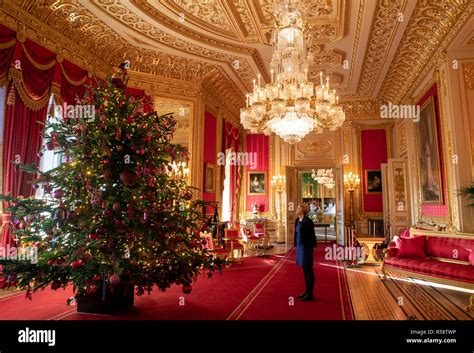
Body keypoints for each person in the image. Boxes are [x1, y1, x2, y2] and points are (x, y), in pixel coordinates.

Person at [294, 203, 317, 301]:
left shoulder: (308, 222)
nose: (297, 209)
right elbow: (296, 234)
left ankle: (310, 293)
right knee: (304, 270)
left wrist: (311, 247)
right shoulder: (297, 220)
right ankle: (306, 291)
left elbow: (312, 236)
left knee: (309, 270)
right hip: (300, 247)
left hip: (306, 248)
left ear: (303, 210)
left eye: (298, 208)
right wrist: (296, 245)